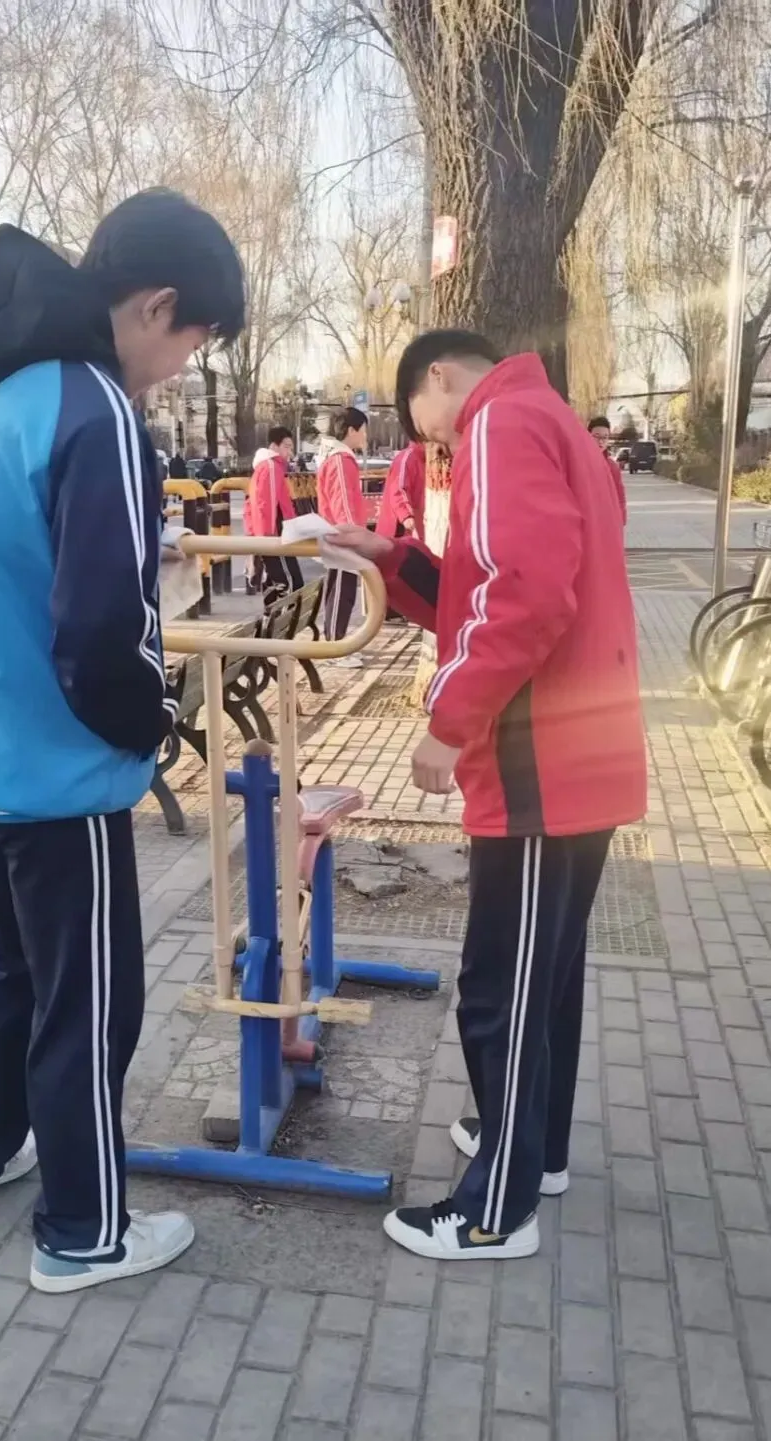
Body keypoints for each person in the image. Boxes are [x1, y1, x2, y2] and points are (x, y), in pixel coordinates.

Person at [0, 191, 246, 1293]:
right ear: (156, 305)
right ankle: (84, 1229)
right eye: (194, 341)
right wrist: (153, 729)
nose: (182, 368)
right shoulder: (92, 407)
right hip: (56, 773)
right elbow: (104, 631)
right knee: (88, 1005)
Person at [329, 330, 646, 1262]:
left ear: (438, 377)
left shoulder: (500, 423)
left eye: (418, 421)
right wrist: (389, 557)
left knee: (500, 986)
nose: (427, 440)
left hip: (541, 758)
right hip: (574, 750)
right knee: (543, 974)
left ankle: (495, 1209)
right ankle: (534, 1146)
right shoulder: (551, 419)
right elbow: (490, 587)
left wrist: (450, 719)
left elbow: (523, 595)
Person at [316, 406, 368, 660]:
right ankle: (334, 648)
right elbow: (343, 501)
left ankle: (335, 643)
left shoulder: (338, 458)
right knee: (340, 591)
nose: (365, 436)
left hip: (338, 534)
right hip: (341, 536)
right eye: (363, 430)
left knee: (340, 590)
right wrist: (352, 534)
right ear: (351, 430)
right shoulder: (340, 460)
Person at [248, 425, 301, 603]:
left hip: (271, 534)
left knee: (274, 583)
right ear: (274, 446)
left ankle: (270, 617)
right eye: (286, 446)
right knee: (291, 584)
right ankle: (281, 619)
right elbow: (267, 504)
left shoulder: (264, 467)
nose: (289, 452)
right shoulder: (271, 467)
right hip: (276, 535)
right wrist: (268, 538)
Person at [376, 439, 426, 542]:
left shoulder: (429, 459)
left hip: (419, 530)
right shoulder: (407, 458)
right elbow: (398, 489)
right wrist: (407, 516)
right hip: (400, 531)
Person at [588, 415, 627, 523]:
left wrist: (621, 519)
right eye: (596, 436)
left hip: (606, 519)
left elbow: (620, 496)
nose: (601, 441)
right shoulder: (578, 463)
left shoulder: (612, 467)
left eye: (605, 437)